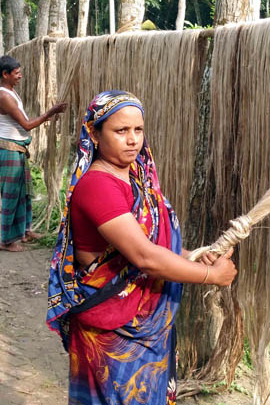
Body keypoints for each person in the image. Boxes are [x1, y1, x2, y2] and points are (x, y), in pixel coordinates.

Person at [47, 90, 238, 404]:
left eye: (138, 130)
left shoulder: (135, 181)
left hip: (141, 327)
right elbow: (145, 257)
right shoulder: (98, 185)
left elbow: (152, 244)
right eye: (120, 131)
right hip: (113, 329)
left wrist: (195, 258)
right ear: (94, 134)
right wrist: (211, 277)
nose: (132, 139)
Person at [0, 55, 66, 252]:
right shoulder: (4, 97)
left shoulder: (10, 92)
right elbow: (26, 124)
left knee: (24, 192)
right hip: (9, 149)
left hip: (16, 149)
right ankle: (6, 241)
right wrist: (50, 113)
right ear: (5, 74)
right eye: (16, 73)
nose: (20, 75)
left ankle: (25, 231)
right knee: (11, 195)